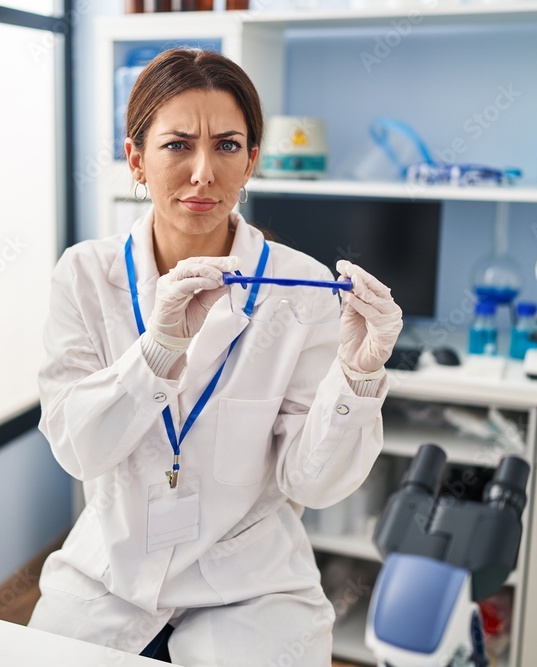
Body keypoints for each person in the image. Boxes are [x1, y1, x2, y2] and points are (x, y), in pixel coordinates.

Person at [29, 48, 403, 665]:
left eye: (227, 146)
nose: (204, 172)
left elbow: (312, 482)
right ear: (136, 160)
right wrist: (158, 350)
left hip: (249, 583)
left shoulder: (299, 289)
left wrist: (358, 378)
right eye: (177, 145)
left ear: (251, 160)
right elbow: (79, 450)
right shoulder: (85, 276)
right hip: (112, 570)